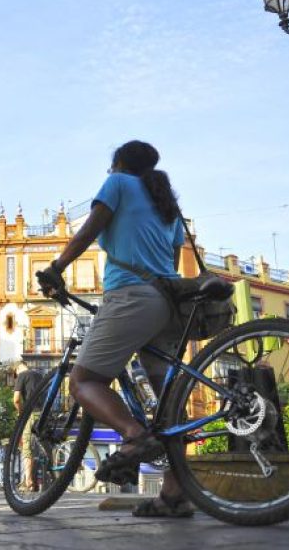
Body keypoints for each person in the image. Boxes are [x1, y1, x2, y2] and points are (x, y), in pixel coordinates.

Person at [36, 140, 191, 518]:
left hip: (131, 298)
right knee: (170, 405)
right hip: (169, 305)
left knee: (83, 381)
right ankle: (174, 496)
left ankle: (133, 434)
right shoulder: (168, 204)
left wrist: (57, 267)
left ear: (118, 164)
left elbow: (90, 229)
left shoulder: (119, 184)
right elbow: (170, 262)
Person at [13, 361, 44, 492]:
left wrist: (20, 412)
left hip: (31, 414)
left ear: (17, 370)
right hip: (43, 413)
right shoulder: (39, 375)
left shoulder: (22, 375)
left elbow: (16, 399)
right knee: (42, 445)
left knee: (27, 448)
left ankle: (29, 482)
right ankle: (42, 481)